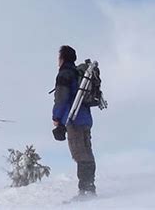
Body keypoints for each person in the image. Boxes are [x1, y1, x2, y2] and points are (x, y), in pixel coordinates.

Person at [52, 45, 96, 197]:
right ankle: (88, 187)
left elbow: (61, 99)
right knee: (86, 152)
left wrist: (57, 118)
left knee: (80, 154)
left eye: (58, 57)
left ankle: (86, 191)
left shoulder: (65, 74)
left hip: (73, 119)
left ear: (62, 57)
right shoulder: (79, 74)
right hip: (85, 119)